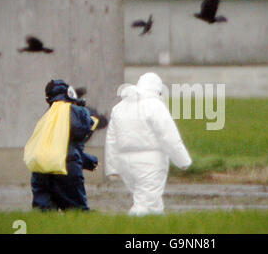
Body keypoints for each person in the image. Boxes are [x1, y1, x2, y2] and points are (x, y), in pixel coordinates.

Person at [105, 72, 192, 216]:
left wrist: (112, 168)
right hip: (150, 162)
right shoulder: (155, 106)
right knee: (146, 204)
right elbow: (168, 136)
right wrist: (183, 160)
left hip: (125, 163)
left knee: (151, 201)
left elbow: (112, 140)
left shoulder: (119, 107)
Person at [31, 80, 99, 211]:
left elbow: (54, 148)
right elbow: (75, 143)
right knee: (77, 211)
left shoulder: (47, 116)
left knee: (43, 212)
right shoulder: (76, 112)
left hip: (39, 167)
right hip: (66, 166)